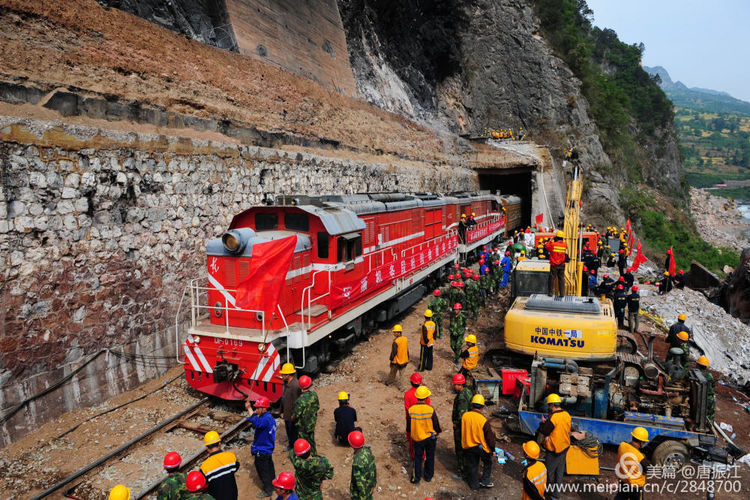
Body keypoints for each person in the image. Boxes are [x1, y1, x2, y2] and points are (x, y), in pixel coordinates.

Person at [407, 386, 441, 485]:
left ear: (417, 397)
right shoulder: (430, 409)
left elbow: (408, 427)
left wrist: (411, 433)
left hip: (417, 439)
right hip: (430, 438)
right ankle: (428, 476)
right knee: (430, 457)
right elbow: (436, 424)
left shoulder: (411, 410)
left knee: (417, 458)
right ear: (426, 398)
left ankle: (416, 478)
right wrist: (437, 432)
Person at [461, 394, 496, 490]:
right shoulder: (483, 420)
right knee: (488, 462)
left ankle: (474, 485)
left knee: (472, 465)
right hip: (481, 447)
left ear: (472, 405)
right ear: (482, 406)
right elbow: (489, 438)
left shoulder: (465, 416)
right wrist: (492, 449)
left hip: (468, 446)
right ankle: (485, 481)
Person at [537, 394, 570, 493]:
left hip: (554, 450)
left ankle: (547, 493)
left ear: (552, 405)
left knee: (549, 473)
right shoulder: (566, 414)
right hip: (564, 447)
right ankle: (556, 494)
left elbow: (545, 431)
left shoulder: (553, 418)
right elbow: (561, 427)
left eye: (549, 406)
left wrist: (543, 423)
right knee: (559, 473)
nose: (549, 408)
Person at [246, 396, 277, 498]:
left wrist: (249, 409)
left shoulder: (264, 420)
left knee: (263, 471)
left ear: (264, 409)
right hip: (267, 449)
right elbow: (255, 419)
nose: (256, 410)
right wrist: (250, 410)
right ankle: (273, 483)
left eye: (258, 408)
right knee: (269, 468)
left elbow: (256, 422)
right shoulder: (269, 418)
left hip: (262, 450)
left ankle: (268, 490)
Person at [200, 431, 239, 500]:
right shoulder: (231, 456)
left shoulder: (204, 467)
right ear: (219, 443)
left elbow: (204, 484)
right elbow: (236, 466)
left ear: (207, 448)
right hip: (233, 496)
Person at [614, 427, 650, 500]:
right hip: (635, 487)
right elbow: (649, 468)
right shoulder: (639, 456)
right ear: (641, 442)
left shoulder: (622, 446)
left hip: (623, 481)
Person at [451, 373, 474, 480]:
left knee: (460, 449)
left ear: (460, 385)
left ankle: (462, 471)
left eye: (454, 385)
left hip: (461, 427)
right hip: (468, 425)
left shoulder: (461, 397)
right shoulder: (468, 391)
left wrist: (456, 424)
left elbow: (462, 415)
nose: (453, 386)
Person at [404, 372, 431, 460]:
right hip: (424, 420)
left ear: (411, 382)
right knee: (423, 438)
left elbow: (407, 410)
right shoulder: (424, 394)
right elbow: (428, 407)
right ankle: (422, 456)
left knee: (412, 440)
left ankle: (413, 455)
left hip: (412, 421)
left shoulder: (407, 394)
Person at [292, 376, 319, 455]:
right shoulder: (314, 395)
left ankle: (304, 457)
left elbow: (296, 415)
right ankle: (314, 455)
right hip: (312, 423)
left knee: (303, 442)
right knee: (311, 440)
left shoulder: (300, 400)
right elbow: (317, 407)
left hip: (302, 426)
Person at [348, 430, 377, 500]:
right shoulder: (367, 451)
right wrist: (374, 484)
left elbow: (360, 484)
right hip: (370, 486)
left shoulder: (357, 463)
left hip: (361, 494)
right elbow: (373, 468)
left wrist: (362, 497)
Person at [280, 363, 301, 451]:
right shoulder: (287, 383)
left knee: (293, 432)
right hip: (287, 413)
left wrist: (294, 414)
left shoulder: (295, 385)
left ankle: (294, 447)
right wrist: (282, 411)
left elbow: (297, 402)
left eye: (283, 374)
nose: (281, 376)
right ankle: (291, 445)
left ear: (288, 375)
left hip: (292, 415)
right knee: (289, 430)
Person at [544, 230, 568, 296]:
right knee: (561, 279)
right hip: (562, 264)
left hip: (554, 264)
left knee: (552, 278)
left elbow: (546, 246)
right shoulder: (565, 245)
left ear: (556, 237)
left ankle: (551, 293)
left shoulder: (553, 245)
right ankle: (562, 293)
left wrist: (550, 240)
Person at [696, 357, 715, 425]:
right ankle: (709, 426)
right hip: (710, 397)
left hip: (699, 397)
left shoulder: (695, 374)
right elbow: (713, 385)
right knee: (710, 414)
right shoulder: (710, 375)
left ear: (697, 365)